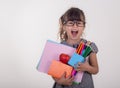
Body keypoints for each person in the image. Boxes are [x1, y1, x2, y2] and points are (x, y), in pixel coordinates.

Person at [52, 7, 99, 88]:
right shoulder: (60, 46)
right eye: (70, 23)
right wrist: (60, 81)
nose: (75, 26)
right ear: (64, 26)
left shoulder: (89, 46)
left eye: (79, 23)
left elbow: (95, 69)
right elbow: (53, 71)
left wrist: (87, 67)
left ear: (84, 26)